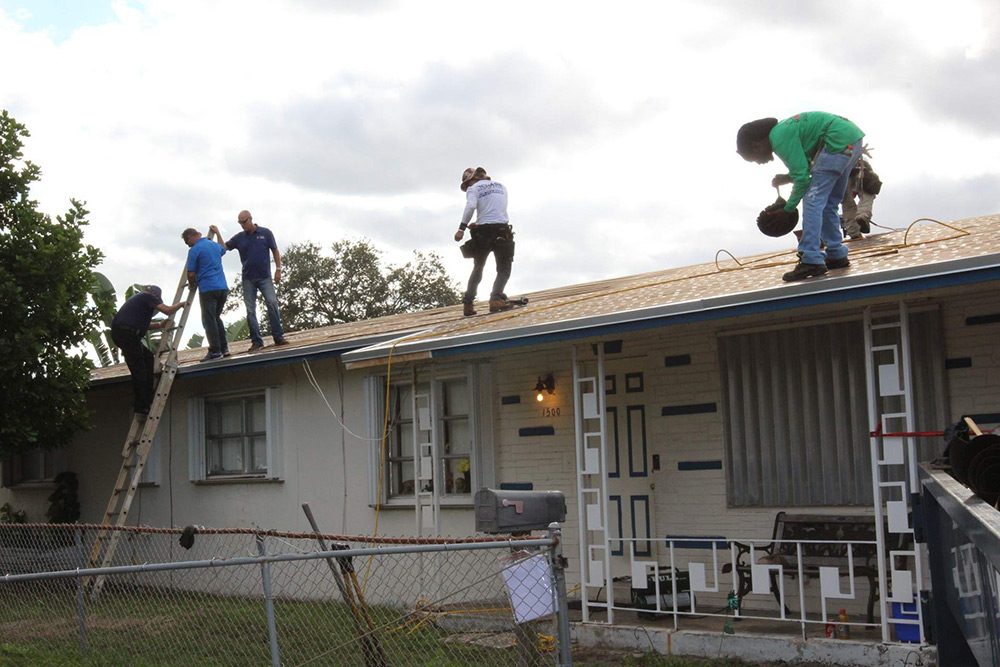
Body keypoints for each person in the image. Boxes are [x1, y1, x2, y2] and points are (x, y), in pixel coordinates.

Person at [737, 112, 865, 282]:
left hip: (836, 141)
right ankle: (836, 254)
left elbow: (803, 179)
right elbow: (805, 168)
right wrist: (787, 178)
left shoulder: (778, 137)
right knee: (828, 202)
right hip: (850, 139)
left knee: (812, 200)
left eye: (754, 160)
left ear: (755, 146)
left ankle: (810, 258)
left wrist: (788, 209)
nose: (759, 163)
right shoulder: (784, 130)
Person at [210, 211, 288, 353]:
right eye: (240, 223)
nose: (242, 225)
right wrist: (218, 233)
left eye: (244, 222)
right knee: (250, 311)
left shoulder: (265, 233)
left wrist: (278, 269)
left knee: (272, 303)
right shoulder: (239, 238)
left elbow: (275, 250)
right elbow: (223, 249)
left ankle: (278, 336)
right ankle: (256, 341)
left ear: (250, 219)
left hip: (265, 277)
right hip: (248, 279)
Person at [110, 285, 185, 414]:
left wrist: (160, 325)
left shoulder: (139, 303)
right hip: (127, 334)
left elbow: (142, 324)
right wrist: (182, 304)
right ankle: (141, 405)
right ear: (156, 295)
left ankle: (146, 397)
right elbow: (167, 310)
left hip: (124, 334)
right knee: (139, 369)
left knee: (148, 357)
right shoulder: (148, 296)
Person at [453, 167, 514, 316]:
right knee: (504, 268)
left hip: (483, 233)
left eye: (467, 184)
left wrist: (461, 228)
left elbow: (471, 206)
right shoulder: (501, 186)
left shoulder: (473, 188)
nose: (468, 187)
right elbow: (495, 210)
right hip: (502, 230)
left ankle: (468, 304)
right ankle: (496, 298)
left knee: (478, 268)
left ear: (473, 179)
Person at [182, 228, 230, 361]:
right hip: (222, 287)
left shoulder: (194, 250)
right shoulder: (214, 245)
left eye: (187, 242)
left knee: (209, 320)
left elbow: (191, 273)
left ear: (191, 237)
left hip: (208, 288)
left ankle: (215, 351)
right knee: (216, 317)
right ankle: (224, 348)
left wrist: (192, 285)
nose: (188, 245)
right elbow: (223, 248)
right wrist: (219, 233)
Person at [841, 157, 880, 239]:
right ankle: (863, 215)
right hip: (861, 168)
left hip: (842, 171)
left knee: (847, 203)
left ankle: (853, 231)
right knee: (867, 196)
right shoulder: (857, 151)